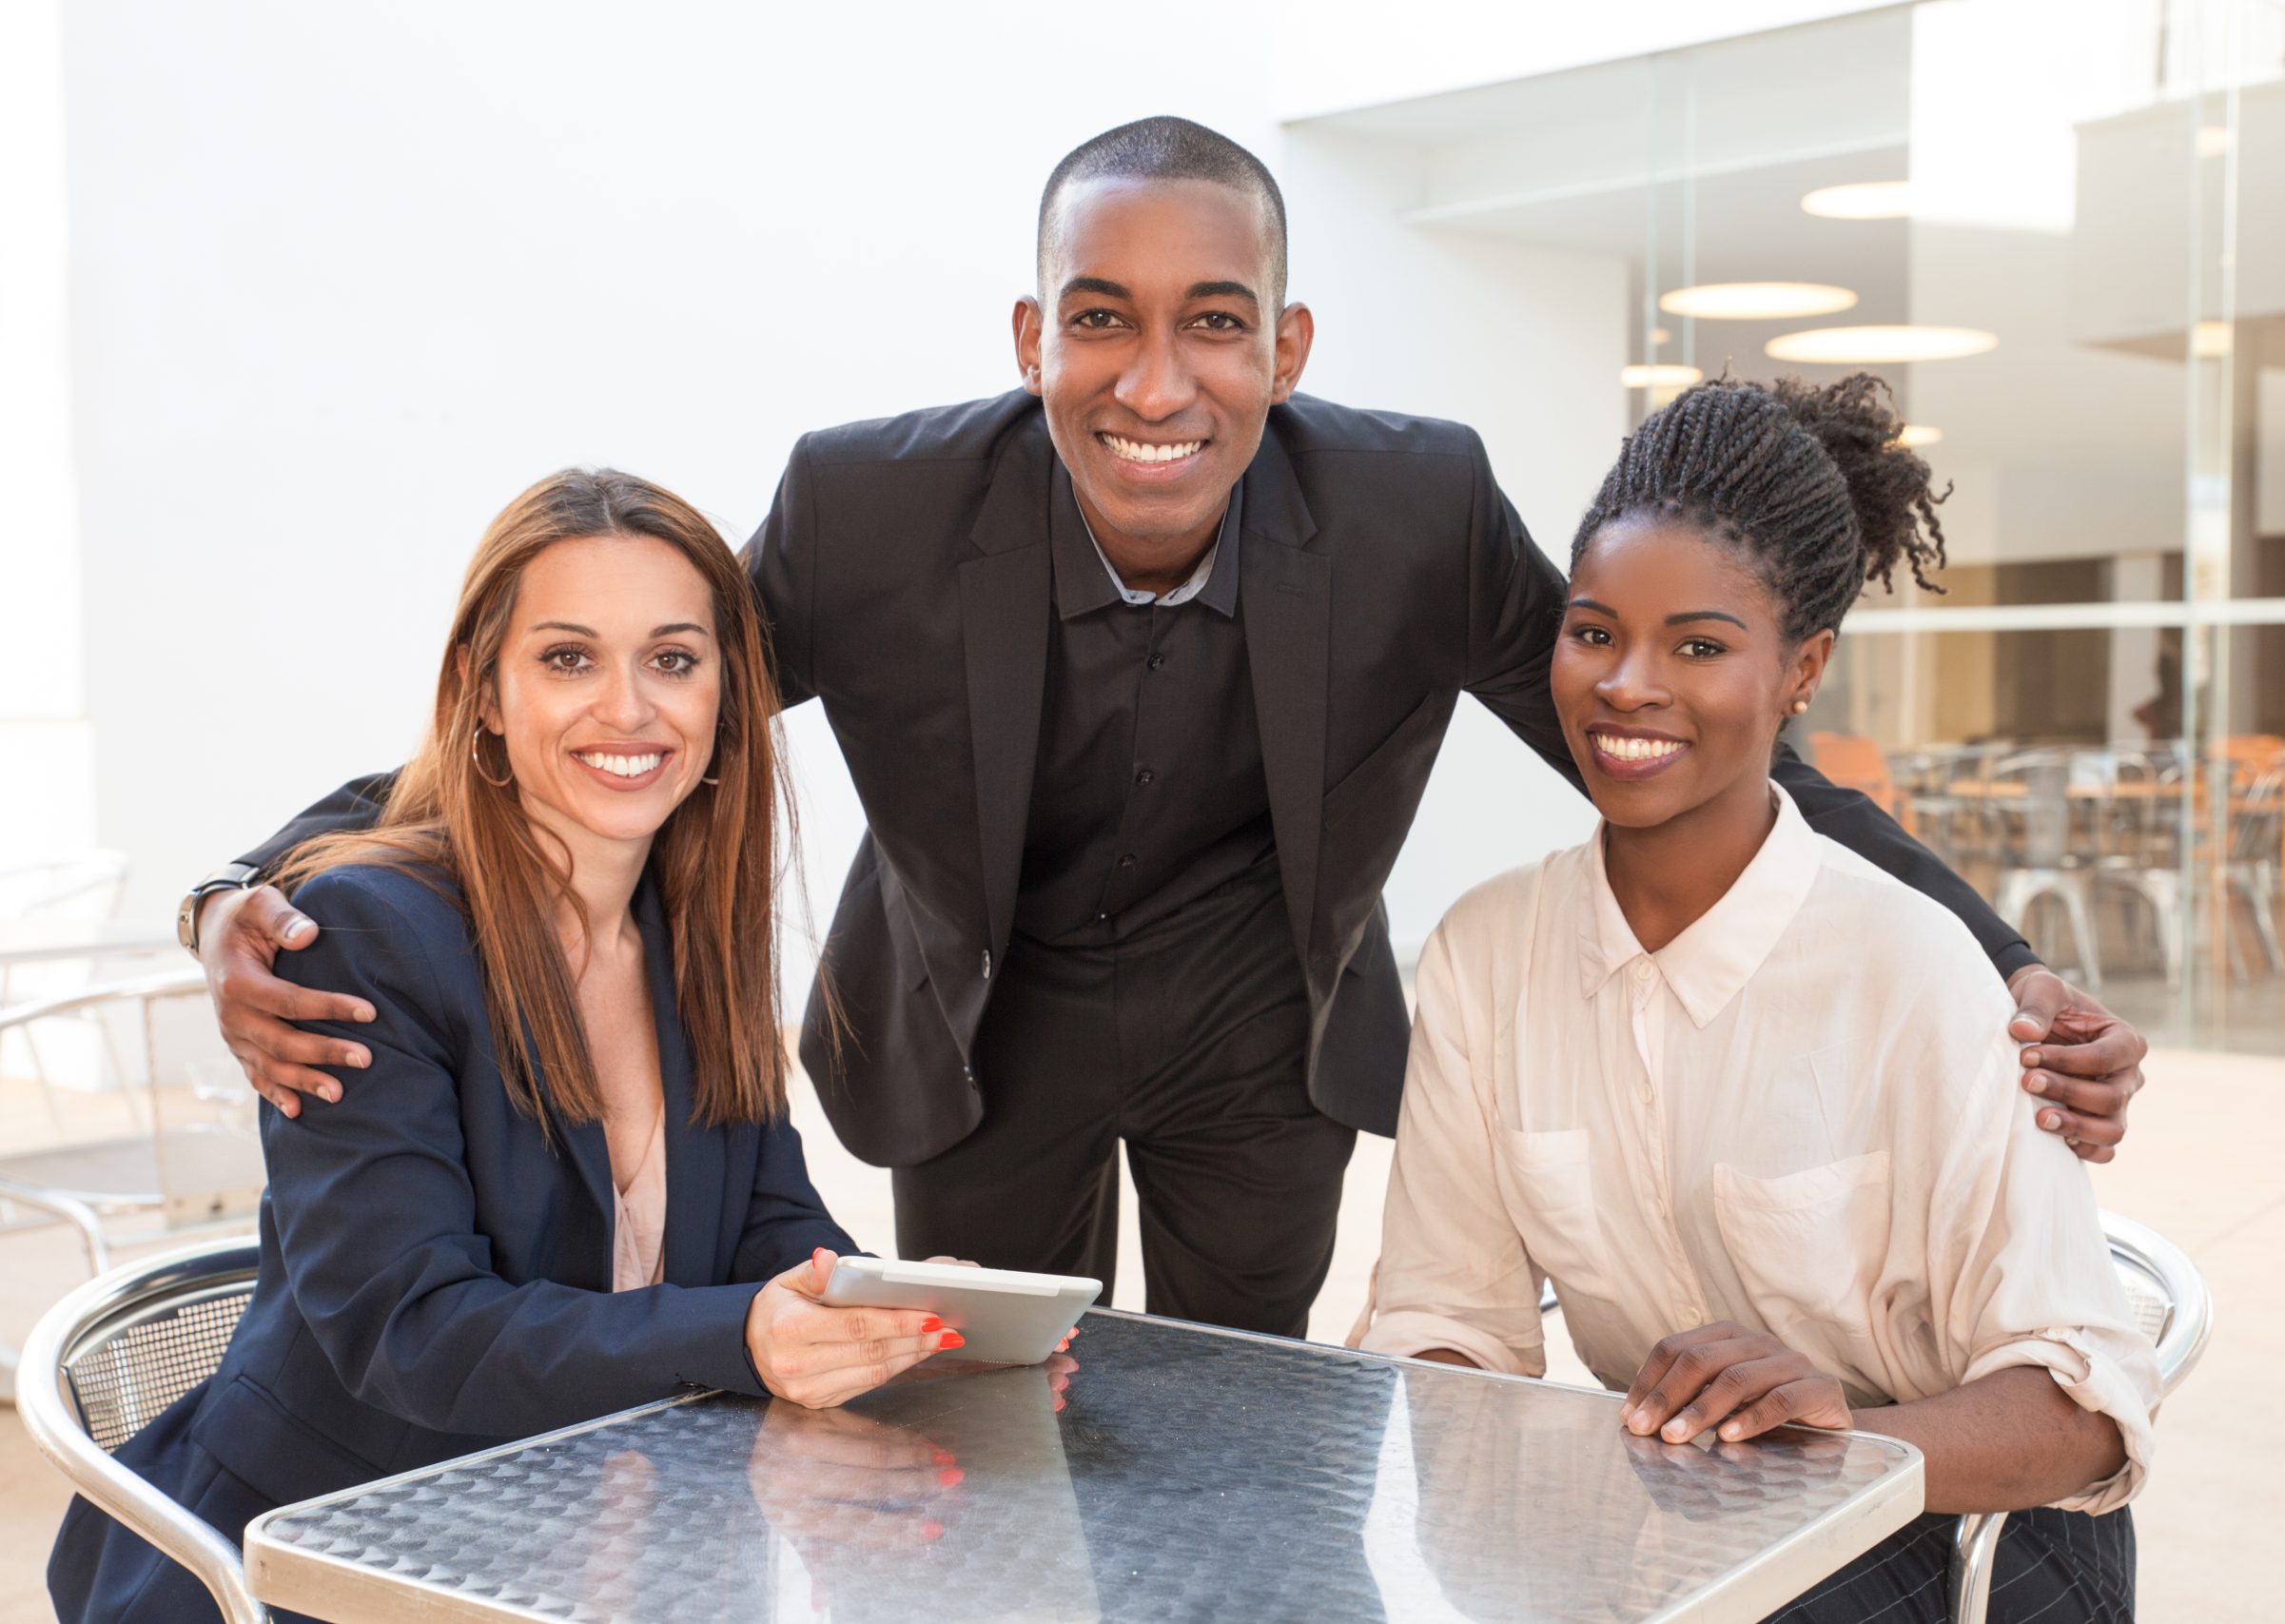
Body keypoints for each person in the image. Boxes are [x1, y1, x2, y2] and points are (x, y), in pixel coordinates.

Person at [186, 118, 2146, 1341]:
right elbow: (612, 711)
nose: (1155, 375)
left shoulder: (1402, 509)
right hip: (971, 1023)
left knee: (1245, 1409)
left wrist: (2002, 958)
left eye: (1212, 320)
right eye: (1098, 318)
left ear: (1283, 350)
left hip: (1250, 1034)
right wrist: (256, 881)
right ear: (1028, 336)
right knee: (983, 1415)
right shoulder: (871, 506)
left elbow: (1702, 752)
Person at [52, 471, 981, 1624]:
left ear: (729, 699)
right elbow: (410, 1331)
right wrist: (741, 1332)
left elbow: (760, 1221)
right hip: (333, 1561)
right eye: (567, 658)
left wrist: (881, 1311)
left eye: (674, 660)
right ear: (481, 692)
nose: (631, 709)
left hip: (618, 1553)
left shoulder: (688, 930)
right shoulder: (364, 941)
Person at [1354, 377, 2158, 1621]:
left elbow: (2081, 1403)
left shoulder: (1916, 968)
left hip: (1957, 1524)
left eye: (1700, 645)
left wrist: (1841, 1432)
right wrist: (1478, 1479)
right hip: (1676, 1517)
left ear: (1802, 671)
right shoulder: (1484, 952)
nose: (1627, 684)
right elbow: (1444, 1317)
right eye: (1593, 630)